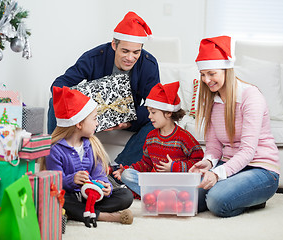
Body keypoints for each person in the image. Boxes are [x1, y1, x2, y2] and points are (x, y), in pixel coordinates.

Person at [47, 11, 160, 167]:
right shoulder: (94, 57)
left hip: (128, 118)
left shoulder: (148, 64)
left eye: (136, 52)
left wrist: (128, 121)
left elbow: (156, 104)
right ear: (114, 45)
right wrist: (81, 108)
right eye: (125, 51)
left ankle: (120, 168)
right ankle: (58, 158)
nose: (130, 58)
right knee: (55, 100)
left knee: (159, 121)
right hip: (90, 117)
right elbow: (59, 84)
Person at [189, 35, 280, 217]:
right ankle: (239, 194)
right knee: (190, 197)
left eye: (212, 73)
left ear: (226, 70)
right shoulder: (213, 101)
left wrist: (217, 175)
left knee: (216, 200)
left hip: (260, 169)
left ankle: (255, 199)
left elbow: (248, 151)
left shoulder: (250, 96)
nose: (207, 80)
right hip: (231, 165)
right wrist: (208, 163)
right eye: (203, 75)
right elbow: (214, 147)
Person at [45, 86, 134, 227]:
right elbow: (54, 182)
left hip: (92, 196)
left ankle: (81, 212)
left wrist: (106, 186)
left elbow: (99, 174)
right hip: (69, 196)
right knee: (53, 198)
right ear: (79, 123)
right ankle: (103, 216)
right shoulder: (55, 150)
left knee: (126, 196)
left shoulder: (92, 145)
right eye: (94, 119)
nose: (97, 123)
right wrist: (72, 179)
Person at [113, 82, 204, 196]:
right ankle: (159, 195)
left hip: (177, 183)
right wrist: (127, 169)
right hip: (156, 182)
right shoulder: (151, 137)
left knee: (195, 183)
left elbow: (198, 162)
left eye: (153, 112)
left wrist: (174, 167)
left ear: (168, 113)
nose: (149, 116)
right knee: (127, 175)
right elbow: (146, 163)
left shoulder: (184, 137)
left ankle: (156, 195)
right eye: (149, 112)